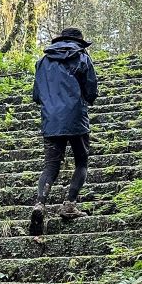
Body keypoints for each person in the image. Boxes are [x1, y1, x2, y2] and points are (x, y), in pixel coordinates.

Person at [29, 26, 98, 236]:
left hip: (51, 121)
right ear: (79, 42)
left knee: (50, 166)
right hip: (76, 118)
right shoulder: (83, 58)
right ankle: (69, 204)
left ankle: (40, 204)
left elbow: (36, 95)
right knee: (81, 162)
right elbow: (91, 91)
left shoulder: (42, 62)